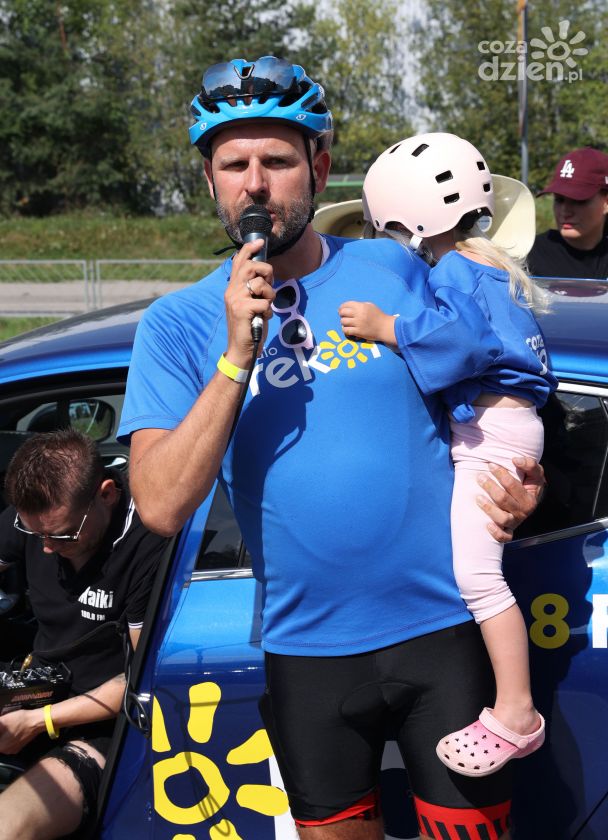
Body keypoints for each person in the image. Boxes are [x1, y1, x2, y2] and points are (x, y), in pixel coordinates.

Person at [118, 56, 545, 840]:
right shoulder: (176, 325)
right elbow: (162, 504)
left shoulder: (398, 266)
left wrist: (523, 478)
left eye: (277, 161)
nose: (255, 185)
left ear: (316, 170)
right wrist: (235, 358)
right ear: (209, 181)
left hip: (442, 630)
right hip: (308, 656)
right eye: (233, 165)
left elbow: (496, 379)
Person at [339, 131, 557, 778]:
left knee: (480, 580)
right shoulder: (488, 265)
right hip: (507, 428)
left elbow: (462, 344)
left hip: (494, 435)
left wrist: (386, 327)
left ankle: (516, 713)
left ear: (405, 220)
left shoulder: (454, 269)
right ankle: (513, 708)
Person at [0, 429, 168, 840]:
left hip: (104, 725)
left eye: (62, 535)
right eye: (34, 533)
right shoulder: (39, 520)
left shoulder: (147, 540)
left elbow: (141, 681)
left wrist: (39, 722)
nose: (45, 547)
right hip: (35, 691)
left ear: (106, 494)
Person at [527, 146, 608, 279]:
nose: (565, 211)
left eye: (579, 200)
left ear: (606, 203)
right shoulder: (528, 255)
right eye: (559, 200)